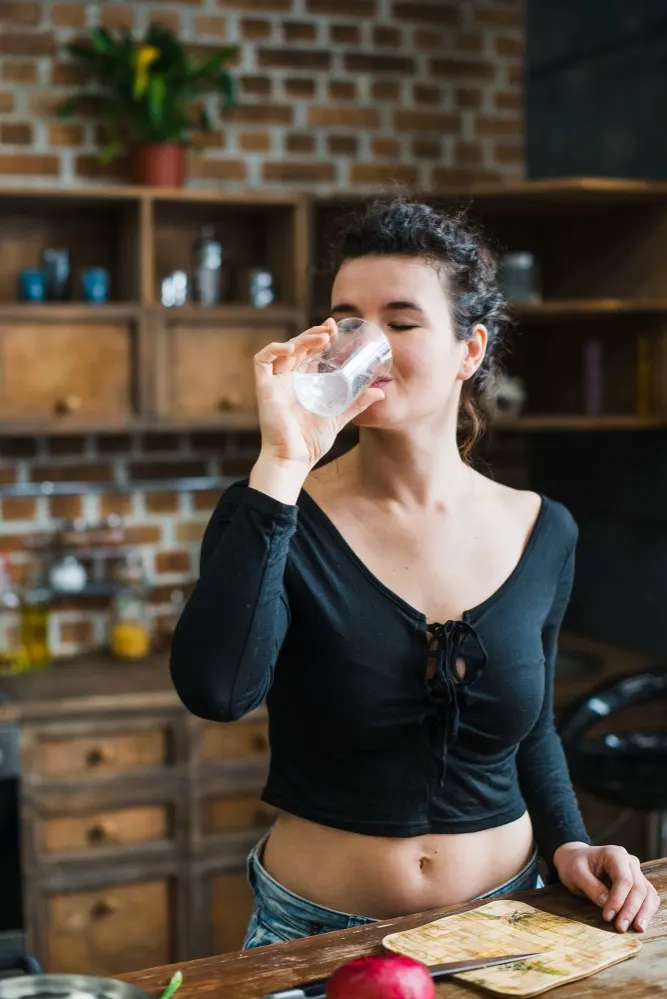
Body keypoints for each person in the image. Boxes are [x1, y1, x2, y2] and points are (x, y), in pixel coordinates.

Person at [170, 199, 660, 948]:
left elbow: (527, 728)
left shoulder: (542, 528)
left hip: (506, 926)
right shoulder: (273, 512)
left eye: (400, 321)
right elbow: (217, 692)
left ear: (470, 351)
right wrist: (282, 462)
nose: (366, 344)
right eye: (347, 321)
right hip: (313, 937)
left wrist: (568, 842)